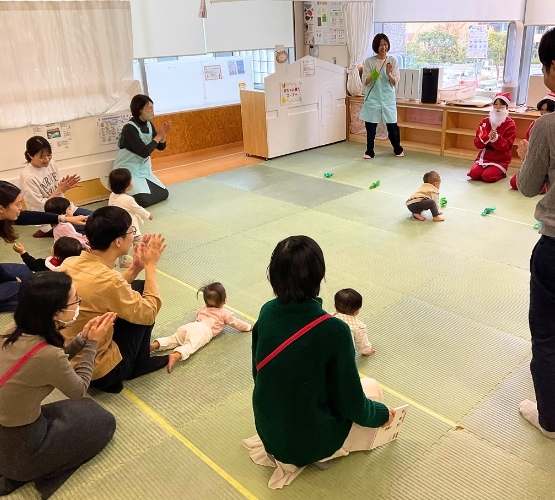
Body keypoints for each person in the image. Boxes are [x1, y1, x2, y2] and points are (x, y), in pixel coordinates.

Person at [243, 235, 394, 488]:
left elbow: (257, 374)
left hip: (269, 432)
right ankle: (322, 454)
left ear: (274, 276)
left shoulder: (267, 312)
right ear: (319, 276)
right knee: (372, 388)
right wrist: (383, 414)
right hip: (308, 442)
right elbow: (352, 404)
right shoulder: (334, 330)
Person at [0, 272, 116, 498]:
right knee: (104, 421)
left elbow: (48, 360)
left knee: (86, 413)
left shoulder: (13, 329)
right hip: (22, 442)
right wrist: (92, 343)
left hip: (8, 429)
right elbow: (79, 390)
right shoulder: (48, 354)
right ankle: (28, 472)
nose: (79, 302)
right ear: (56, 312)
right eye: (75, 300)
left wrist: (81, 339)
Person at [60, 206, 168, 393]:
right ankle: (139, 363)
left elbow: (104, 291)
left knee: (135, 288)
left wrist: (135, 268)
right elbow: (149, 312)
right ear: (118, 241)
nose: (133, 234)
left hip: (67, 358)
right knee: (144, 295)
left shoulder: (70, 262)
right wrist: (151, 266)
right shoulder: (110, 281)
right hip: (100, 372)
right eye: (131, 230)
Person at [516, 27, 555, 439]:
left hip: (554, 249)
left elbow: (527, 186)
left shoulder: (547, 126)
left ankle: (550, 419)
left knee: (546, 336)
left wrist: (528, 156)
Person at [0, 181, 87, 312]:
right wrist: (11, 279)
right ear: (1, 209)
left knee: (28, 274)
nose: (21, 208)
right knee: (40, 295)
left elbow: (25, 216)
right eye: (17, 204)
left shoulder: (6, 214)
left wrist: (64, 218)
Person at [151, 282, 251, 373]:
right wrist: (248, 327)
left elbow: (198, 314)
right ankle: (175, 356)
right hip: (203, 332)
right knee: (190, 346)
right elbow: (236, 323)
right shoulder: (225, 313)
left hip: (191, 326)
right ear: (224, 300)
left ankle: (154, 345)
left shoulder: (203, 308)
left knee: (173, 338)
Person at [19, 136, 91, 237]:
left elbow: (58, 189)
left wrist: (64, 188)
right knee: (91, 228)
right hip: (49, 219)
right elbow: (38, 208)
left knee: (97, 218)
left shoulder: (51, 163)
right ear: (30, 155)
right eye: (42, 157)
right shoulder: (27, 177)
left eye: (49, 155)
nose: (47, 160)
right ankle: (46, 231)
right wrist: (58, 191)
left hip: (66, 210)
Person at [113, 94, 170, 208]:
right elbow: (144, 152)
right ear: (139, 110)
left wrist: (163, 135)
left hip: (143, 170)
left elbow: (160, 147)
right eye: (149, 108)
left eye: (153, 108)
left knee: (164, 194)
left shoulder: (149, 124)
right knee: (144, 201)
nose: (152, 111)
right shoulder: (129, 128)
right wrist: (158, 136)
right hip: (127, 170)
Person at [359, 33, 404, 160]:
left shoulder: (393, 60)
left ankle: (397, 148)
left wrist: (389, 73)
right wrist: (376, 71)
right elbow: (365, 81)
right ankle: (369, 151)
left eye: (385, 44)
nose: (383, 47)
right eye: (380, 45)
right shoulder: (369, 61)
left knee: (392, 127)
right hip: (373, 99)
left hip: (388, 99)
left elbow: (395, 82)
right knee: (371, 127)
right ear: (375, 47)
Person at [467, 92, 517, 183]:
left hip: (500, 159)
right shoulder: (485, 121)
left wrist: (496, 139)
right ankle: (485, 168)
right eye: (495, 104)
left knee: (487, 176)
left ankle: (501, 172)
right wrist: (485, 138)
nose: (498, 107)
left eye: (501, 105)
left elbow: (507, 146)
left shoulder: (510, 124)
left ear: (506, 107)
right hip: (484, 157)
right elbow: (477, 143)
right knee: (473, 174)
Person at [510, 94, 555, 192]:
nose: (544, 113)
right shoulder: (536, 123)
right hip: (534, 160)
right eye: (542, 110)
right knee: (514, 182)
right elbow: (528, 140)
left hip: (547, 163)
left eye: (548, 110)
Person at [108, 168, 152, 268]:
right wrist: (148, 215)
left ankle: (122, 261)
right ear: (127, 185)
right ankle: (140, 259)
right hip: (130, 226)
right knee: (138, 241)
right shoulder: (128, 199)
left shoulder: (112, 195)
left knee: (122, 244)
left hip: (118, 225)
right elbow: (138, 209)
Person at [334, 288, 375, 356]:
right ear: (357, 311)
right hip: (342, 356)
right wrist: (368, 351)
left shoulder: (329, 317)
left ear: (335, 306)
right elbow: (363, 346)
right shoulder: (358, 326)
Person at [12, 237, 83, 272]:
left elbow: (32, 264)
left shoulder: (46, 264)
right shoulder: (77, 268)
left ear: (56, 254)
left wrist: (22, 252)